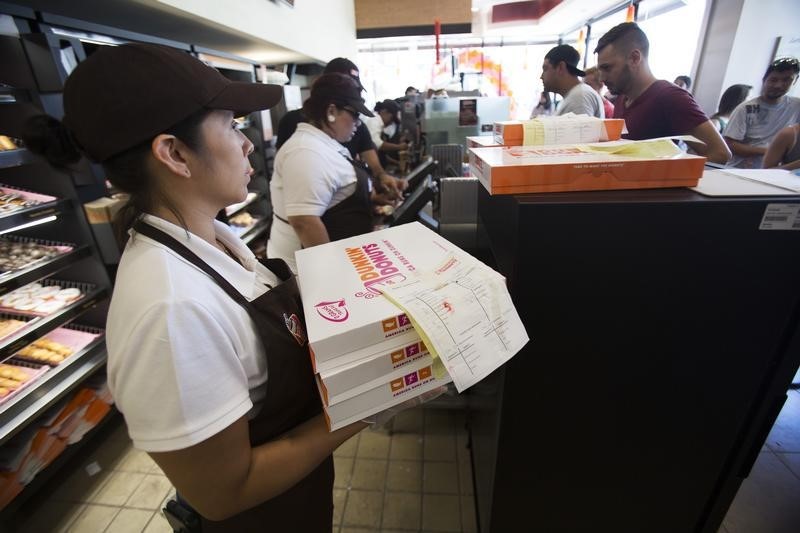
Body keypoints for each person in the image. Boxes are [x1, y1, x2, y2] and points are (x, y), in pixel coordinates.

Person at [21, 43, 439, 532]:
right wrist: (369, 401)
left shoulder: (212, 236)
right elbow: (223, 492)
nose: (247, 145)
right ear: (174, 153)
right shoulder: (170, 310)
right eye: (232, 125)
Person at [268, 73, 381, 273]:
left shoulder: (325, 144)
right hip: (305, 270)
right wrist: (330, 274)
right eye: (355, 114)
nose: (358, 123)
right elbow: (304, 221)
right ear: (331, 111)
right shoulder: (305, 152)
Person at [595, 22, 731, 164]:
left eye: (607, 68)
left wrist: (666, 176)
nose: (602, 78)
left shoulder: (670, 97)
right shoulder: (622, 98)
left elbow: (720, 153)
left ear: (634, 58)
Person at [275, 57, 405, 200]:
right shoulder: (295, 127)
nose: (356, 121)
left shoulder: (355, 124)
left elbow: (373, 164)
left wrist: (381, 181)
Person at [723, 57, 800, 168]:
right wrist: (772, 151)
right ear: (764, 80)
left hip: (775, 173)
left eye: (786, 80)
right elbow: (730, 144)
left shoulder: (796, 106)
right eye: (774, 80)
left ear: (795, 81)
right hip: (742, 169)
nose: (778, 85)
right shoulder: (745, 108)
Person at [540, 44, 604, 118]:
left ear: (560, 67)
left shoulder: (580, 97)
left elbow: (580, 129)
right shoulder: (575, 96)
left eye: (545, 69)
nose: (541, 76)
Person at [367, 98, 409, 167]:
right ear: (384, 111)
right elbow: (377, 144)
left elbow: (381, 154)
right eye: (391, 119)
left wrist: (397, 163)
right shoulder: (374, 121)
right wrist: (399, 147)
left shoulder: (380, 125)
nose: (390, 123)